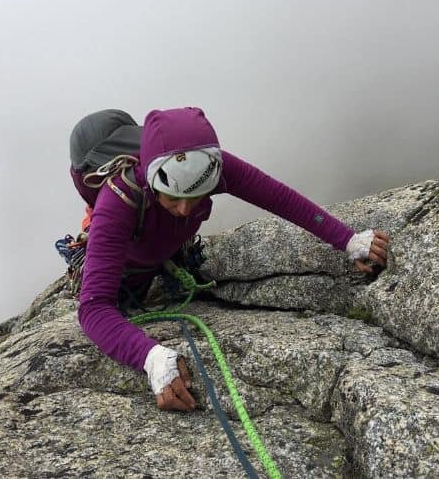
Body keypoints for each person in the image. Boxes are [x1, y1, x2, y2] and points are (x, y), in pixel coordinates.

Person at [73, 107, 389, 413]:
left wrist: (348, 240)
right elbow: (94, 307)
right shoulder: (119, 198)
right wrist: (150, 357)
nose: (185, 210)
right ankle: (96, 229)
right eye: (173, 198)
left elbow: (281, 199)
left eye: (195, 197)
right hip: (126, 258)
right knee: (124, 294)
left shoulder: (210, 166)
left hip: (162, 248)